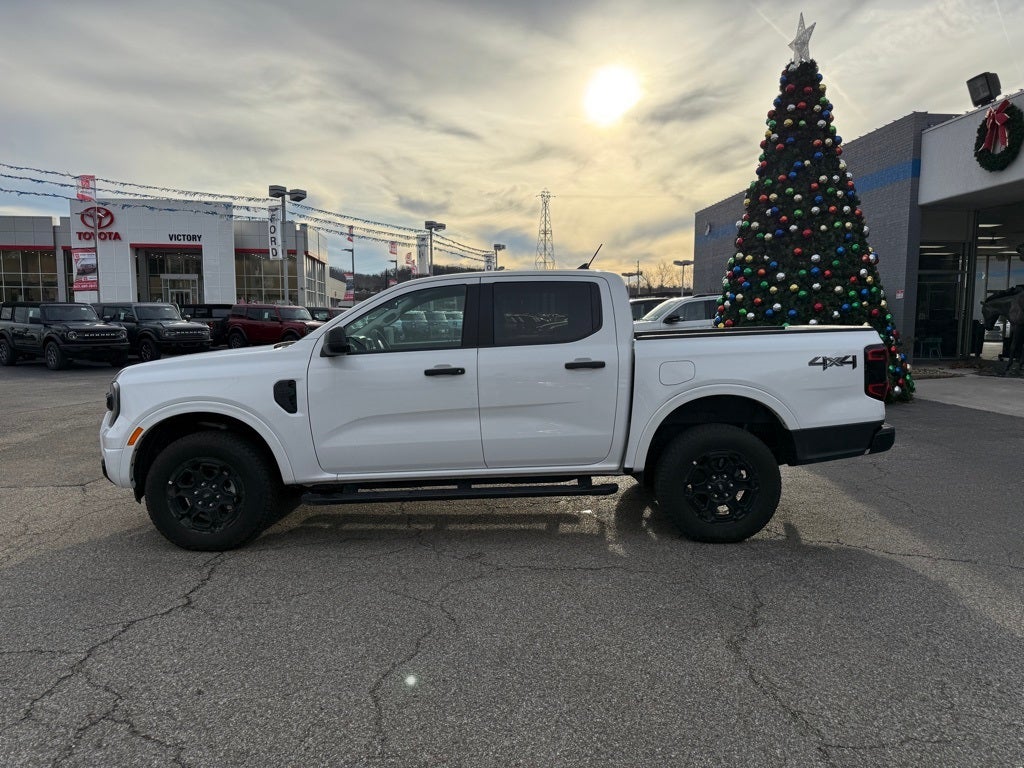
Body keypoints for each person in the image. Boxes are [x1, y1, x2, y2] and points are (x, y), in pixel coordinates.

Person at [1003, 288, 1024, 375]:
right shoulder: (1019, 297)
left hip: (1019, 323)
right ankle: (1018, 363)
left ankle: (1014, 363)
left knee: (1015, 343)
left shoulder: (1019, 298)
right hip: (1019, 323)